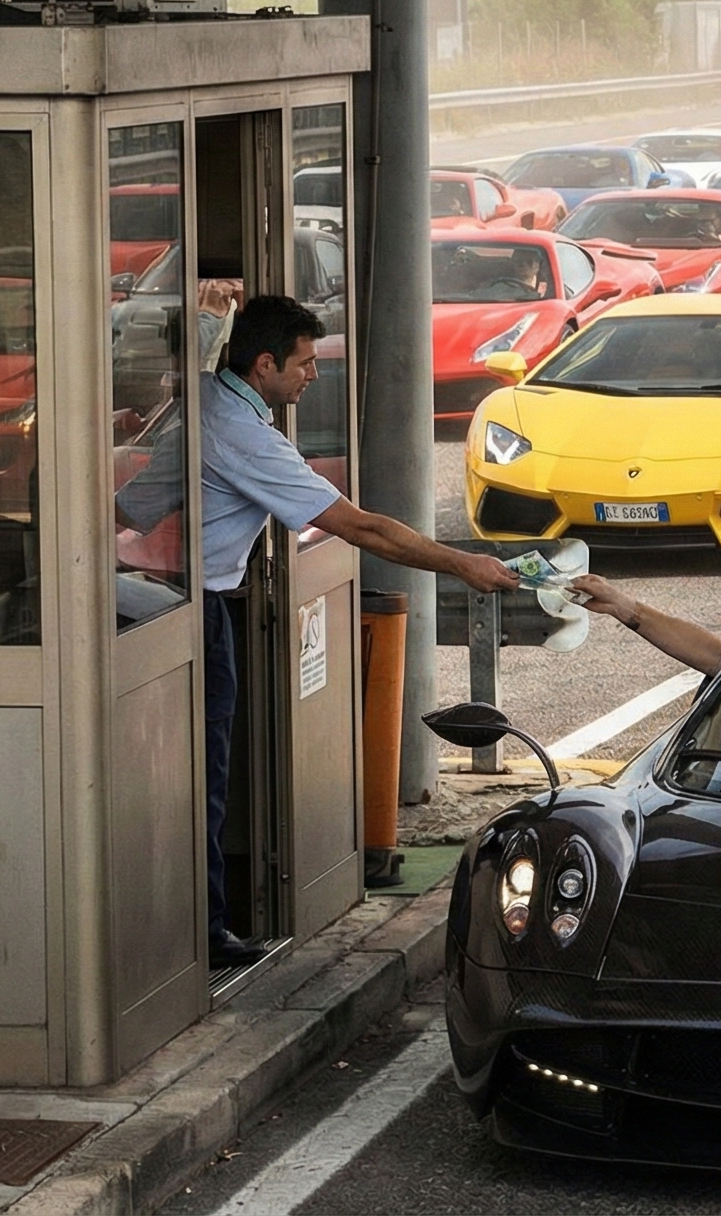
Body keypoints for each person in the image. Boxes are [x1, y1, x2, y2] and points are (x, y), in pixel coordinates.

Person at [116, 290, 517, 971]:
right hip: (195, 613)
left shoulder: (209, 404)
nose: (314, 375)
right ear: (265, 364)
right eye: (304, 362)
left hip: (162, 600)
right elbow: (359, 527)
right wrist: (461, 563)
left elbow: (141, 497)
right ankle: (205, 932)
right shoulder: (244, 434)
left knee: (189, 775)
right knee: (204, 776)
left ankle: (191, 922)